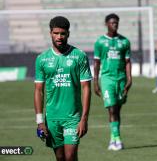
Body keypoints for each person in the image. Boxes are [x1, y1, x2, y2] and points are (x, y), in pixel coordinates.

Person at [34, 16, 92, 161]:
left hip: (73, 117)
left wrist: (84, 118)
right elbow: (38, 91)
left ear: (68, 34)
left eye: (62, 33)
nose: (59, 37)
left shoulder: (79, 56)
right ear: (50, 33)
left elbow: (86, 88)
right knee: (60, 157)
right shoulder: (42, 59)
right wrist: (40, 121)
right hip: (52, 117)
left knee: (70, 156)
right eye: (56, 33)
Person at [93, 13, 132, 151]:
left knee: (118, 109)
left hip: (120, 79)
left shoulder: (125, 42)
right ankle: (118, 140)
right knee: (112, 108)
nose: (114, 24)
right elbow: (96, 63)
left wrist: (129, 78)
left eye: (116, 22)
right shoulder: (100, 42)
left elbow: (127, 62)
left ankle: (113, 138)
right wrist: (95, 81)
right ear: (106, 24)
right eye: (112, 22)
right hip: (107, 78)